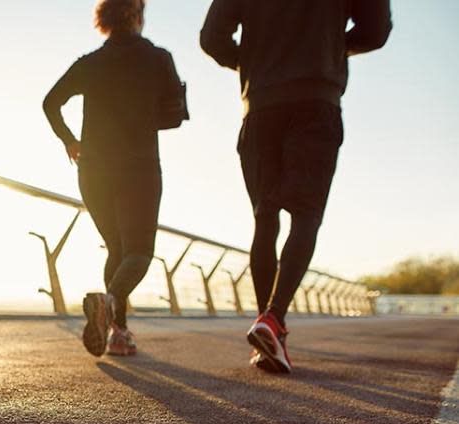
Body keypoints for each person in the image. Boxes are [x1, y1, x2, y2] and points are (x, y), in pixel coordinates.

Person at [201, 0, 392, 373]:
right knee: (306, 216)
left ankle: (269, 333)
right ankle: (273, 320)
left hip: (262, 104)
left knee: (264, 218)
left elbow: (212, 38)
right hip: (315, 100)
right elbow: (376, 30)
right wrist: (332, 46)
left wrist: (252, 60)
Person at [44, 0, 186, 357]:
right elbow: (174, 116)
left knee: (118, 250)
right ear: (137, 16)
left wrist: (70, 140)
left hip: (93, 169)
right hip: (138, 167)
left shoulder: (89, 63)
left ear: (103, 21)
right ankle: (110, 307)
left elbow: (50, 102)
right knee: (139, 252)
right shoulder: (158, 58)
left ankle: (118, 332)